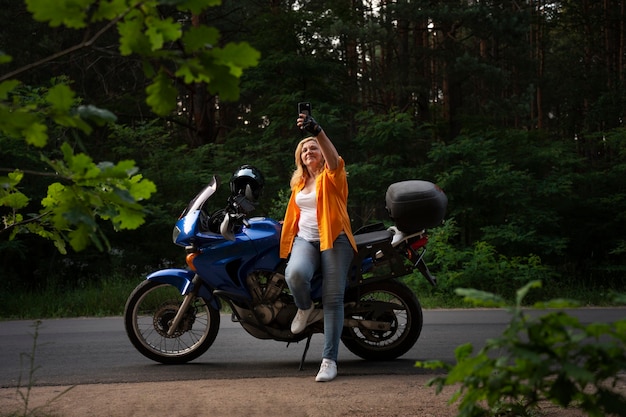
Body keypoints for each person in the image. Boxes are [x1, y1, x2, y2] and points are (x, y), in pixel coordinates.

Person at [279, 112, 357, 382]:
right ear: (299, 158)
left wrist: (318, 131)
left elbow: (335, 160)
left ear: (322, 154)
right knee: (295, 274)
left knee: (333, 299)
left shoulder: (333, 176)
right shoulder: (299, 183)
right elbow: (301, 212)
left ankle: (329, 361)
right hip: (306, 240)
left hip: (335, 239)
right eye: (304, 149)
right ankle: (304, 307)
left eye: (313, 148)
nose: (308, 151)